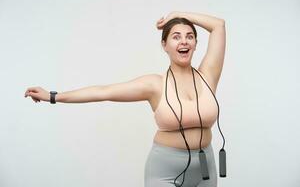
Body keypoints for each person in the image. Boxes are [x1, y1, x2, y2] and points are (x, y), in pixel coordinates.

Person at [24, 11, 226, 187]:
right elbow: (103, 92)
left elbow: (218, 25)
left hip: (205, 169)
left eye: (189, 36)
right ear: (164, 45)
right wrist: (53, 96)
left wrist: (178, 15)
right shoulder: (154, 85)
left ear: (196, 43)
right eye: (176, 36)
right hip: (166, 172)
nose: (184, 41)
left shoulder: (208, 75)